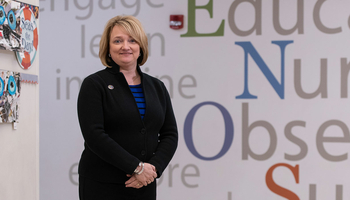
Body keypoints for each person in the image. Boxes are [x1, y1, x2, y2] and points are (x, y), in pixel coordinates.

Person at [77, 15, 178, 200]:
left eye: (132, 40)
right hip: (102, 185)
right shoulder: (94, 84)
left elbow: (170, 134)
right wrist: (136, 167)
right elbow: (94, 135)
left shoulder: (157, 87)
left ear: (141, 46)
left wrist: (152, 169)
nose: (125, 46)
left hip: (144, 184)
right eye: (118, 41)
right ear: (108, 47)